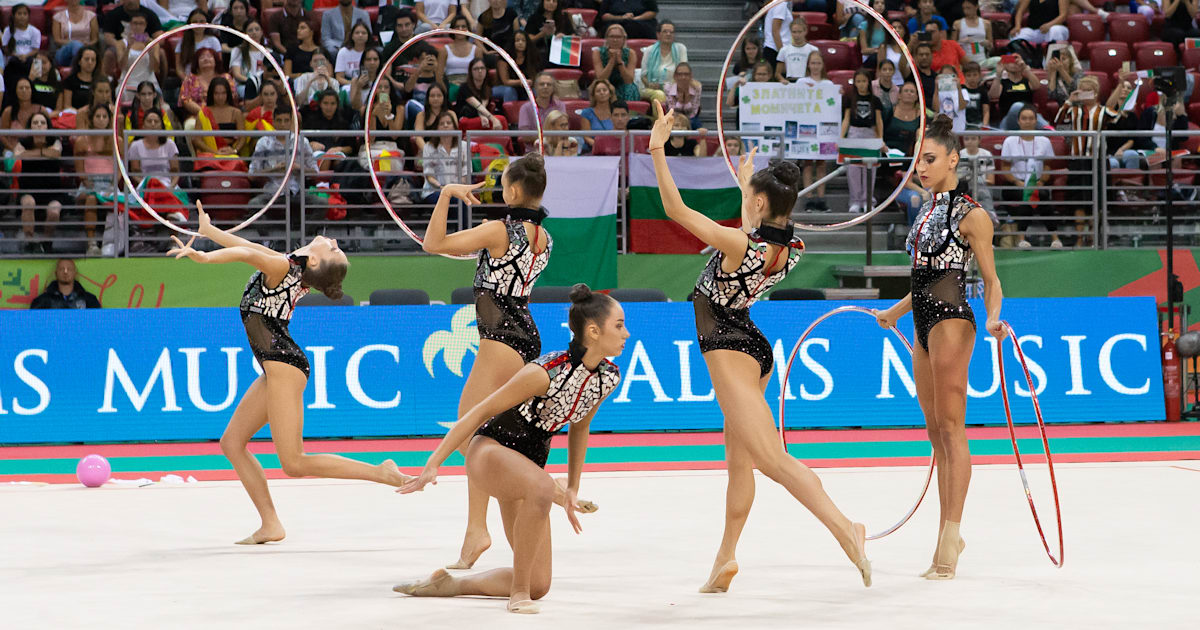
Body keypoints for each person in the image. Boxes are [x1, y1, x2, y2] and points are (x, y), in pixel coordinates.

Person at [647, 101, 871, 593]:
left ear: (763, 204)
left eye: (751, 197)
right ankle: (725, 557)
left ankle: (845, 528)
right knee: (739, 459)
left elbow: (673, 209)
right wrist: (750, 186)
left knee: (769, 458)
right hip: (751, 343)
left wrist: (657, 148)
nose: (746, 201)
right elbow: (758, 226)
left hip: (727, 344)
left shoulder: (737, 245)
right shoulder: (790, 248)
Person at [166, 204, 411, 544]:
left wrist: (207, 257)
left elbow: (243, 255)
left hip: (284, 366)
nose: (334, 241)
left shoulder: (282, 266)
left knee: (294, 462)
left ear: (315, 261)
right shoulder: (288, 265)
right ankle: (270, 524)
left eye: (334, 249)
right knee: (232, 443)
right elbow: (250, 250)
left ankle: (380, 473)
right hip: (277, 367)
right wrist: (209, 233)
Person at [394, 281, 625, 614]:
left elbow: (580, 427)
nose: (625, 333)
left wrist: (573, 487)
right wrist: (434, 463)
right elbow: (480, 411)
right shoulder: (545, 371)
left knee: (539, 584)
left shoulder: (607, 377)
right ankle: (518, 596)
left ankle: (451, 584)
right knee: (545, 487)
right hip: (490, 451)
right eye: (618, 325)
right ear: (593, 330)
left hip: (525, 469)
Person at [417, 153, 592, 571]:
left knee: (471, 434)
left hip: (501, 336)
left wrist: (445, 195)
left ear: (512, 191)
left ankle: (479, 528)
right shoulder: (544, 238)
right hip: (524, 333)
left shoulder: (499, 230)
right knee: (491, 436)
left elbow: (433, 244)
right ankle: (487, 522)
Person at [874, 114, 1004, 580]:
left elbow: (989, 279)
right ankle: (951, 530)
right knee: (934, 431)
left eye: (929, 159)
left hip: (953, 320)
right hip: (922, 322)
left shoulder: (972, 215)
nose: (921, 168)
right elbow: (924, 277)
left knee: (952, 429)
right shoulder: (924, 211)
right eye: (917, 161)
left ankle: (949, 536)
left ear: (953, 159)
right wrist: (896, 311)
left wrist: (992, 317)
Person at [248, 105, 325, 223]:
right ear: (273, 121)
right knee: (253, 205)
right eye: (279, 120)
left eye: (286, 121)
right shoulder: (263, 142)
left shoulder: (301, 142)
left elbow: (315, 171)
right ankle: (268, 239)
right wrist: (273, 170)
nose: (282, 124)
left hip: (296, 192)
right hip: (272, 192)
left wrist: (298, 168)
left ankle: (302, 236)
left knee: (322, 204)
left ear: (291, 122)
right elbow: (252, 175)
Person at [1000, 105, 1057, 247]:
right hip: (1015, 184)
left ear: (1036, 121)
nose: (1027, 121)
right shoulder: (1009, 141)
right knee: (1027, 195)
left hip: (1037, 183)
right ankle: (1021, 239)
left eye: (1031, 118)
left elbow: (1048, 165)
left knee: (1040, 195)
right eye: (1024, 118)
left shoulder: (1044, 141)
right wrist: (1017, 182)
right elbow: (1005, 168)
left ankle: (1055, 239)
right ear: (1018, 121)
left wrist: (1042, 182)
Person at [15, 112, 65, 255]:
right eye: (35, 123)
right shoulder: (23, 141)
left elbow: (56, 153)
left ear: (47, 126)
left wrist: (32, 153)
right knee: (28, 203)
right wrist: (44, 153)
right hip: (29, 189)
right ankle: (30, 242)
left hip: (52, 192)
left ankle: (46, 242)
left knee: (54, 212)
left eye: (42, 123)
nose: (39, 125)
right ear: (30, 126)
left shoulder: (54, 140)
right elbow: (18, 155)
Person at [843, 69, 884, 214]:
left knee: (869, 168)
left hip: (870, 134)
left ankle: (868, 200)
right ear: (854, 83)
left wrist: (880, 140)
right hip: (854, 133)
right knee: (853, 169)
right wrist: (842, 139)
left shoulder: (875, 100)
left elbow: (879, 122)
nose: (861, 84)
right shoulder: (850, 98)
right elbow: (846, 119)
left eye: (864, 81)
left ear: (869, 82)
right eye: (858, 81)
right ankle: (855, 201)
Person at [884, 81, 924, 224]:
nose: (909, 93)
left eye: (912, 91)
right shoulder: (890, 111)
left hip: (910, 154)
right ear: (899, 95)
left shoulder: (922, 115)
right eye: (906, 91)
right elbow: (879, 131)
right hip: (888, 154)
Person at [798, 52, 829, 211]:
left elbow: (833, 106)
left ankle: (821, 198)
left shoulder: (829, 84)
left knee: (822, 163)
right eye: (813, 63)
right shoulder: (801, 82)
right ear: (808, 65)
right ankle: (809, 198)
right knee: (808, 163)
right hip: (806, 127)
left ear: (822, 65)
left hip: (824, 128)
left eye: (818, 63)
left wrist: (839, 95)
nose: (815, 66)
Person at [420, 110, 465, 205]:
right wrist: (443, 188)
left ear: (454, 127)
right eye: (441, 124)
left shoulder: (463, 146)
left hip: (458, 190)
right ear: (437, 128)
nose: (445, 125)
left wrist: (455, 189)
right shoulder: (429, 147)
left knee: (461, 201)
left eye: (448, 123)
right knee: (444, 199)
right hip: (434, 191)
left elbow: (465, 174)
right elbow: (429, 176)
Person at [638, 20, 687, 105]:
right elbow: (643, 76)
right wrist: (650, 85)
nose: (668, 34)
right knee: (659, 94)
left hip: (675, 88)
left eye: (671, 32)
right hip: (651, 89)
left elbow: (684, 73)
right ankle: (661, 118)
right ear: (658, 34)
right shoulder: (649, 50)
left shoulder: (681, 49)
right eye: (665, 32)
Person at [453, 57, 506, 130]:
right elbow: (477, 105)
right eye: (476, 69)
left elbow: (483, 106)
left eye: (482, 68)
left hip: (481, 118)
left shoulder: (487, 88)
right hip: (465, 120)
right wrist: (493, 119)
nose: (480, 71)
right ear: (471, 72)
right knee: (501, 120)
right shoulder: (464, 87)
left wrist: (482, 116)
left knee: (500, 120)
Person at [593, 24, 640, 103]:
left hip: (624, 84)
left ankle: (630, 114)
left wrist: (619, 61)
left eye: (618, 37)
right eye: (612, 37)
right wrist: (611, 60)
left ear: (624, 39)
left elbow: (629, 80)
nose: (615, 40)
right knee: (603, 88)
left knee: (630, 88)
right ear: (607, 38)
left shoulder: (631, 53)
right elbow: (601, 78)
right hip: (605, 84)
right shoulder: (597, 52)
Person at [30, 259, 101, 309]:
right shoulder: (42, 301)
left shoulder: (90, 300)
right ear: (56, 273)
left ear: (75, 273)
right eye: (61, 269)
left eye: (69, 269)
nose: (65, 272)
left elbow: (100, 324)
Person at [51, 0, 99, 69]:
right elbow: (57, 40)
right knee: (75, 44)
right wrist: (74, 43)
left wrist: (87, 44)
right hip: (64, 52)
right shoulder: (58, 17)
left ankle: (78, 67)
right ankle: (82, 68)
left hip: (86, 50)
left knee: (81, 49)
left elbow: (95, 39)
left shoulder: (91, 16)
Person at [176, 9, 221, 78]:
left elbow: (218, 65)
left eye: (202, 21)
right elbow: (179, 68)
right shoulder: (182, 42)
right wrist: (187, 80)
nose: (198, 25)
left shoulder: (214, 41)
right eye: (195, 22)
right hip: (189, 80)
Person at [497, 31, 540, 103]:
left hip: (525, 87)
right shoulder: (504, 58)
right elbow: (505, 81)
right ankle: (511, 114)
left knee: (535, 91)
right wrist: (521, 82)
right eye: (517, 40)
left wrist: (530, 82)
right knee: (510, 91)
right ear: (512, 43)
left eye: (523, 40)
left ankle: (534, 113)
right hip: (504, 87)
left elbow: (535, 76)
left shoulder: (532, 56)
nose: (520, 43)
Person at [442, 14, 484, 87]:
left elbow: (480, 73)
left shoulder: (477, 50)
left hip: (470, 86)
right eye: (457, 27)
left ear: (468, 29)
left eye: (463, 26)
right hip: (450, 86)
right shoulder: (444, 50)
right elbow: (439, 76)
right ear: (452, 29)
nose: (460, 29)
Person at [230, 20, 267, 101]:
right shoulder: (238, 51)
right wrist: (253, 83)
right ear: (245, 34)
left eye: (257, 29)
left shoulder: (269, 52)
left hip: (265, 86)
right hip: (245, 85)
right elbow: (237, 74)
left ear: (261, 32)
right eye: (250, 30)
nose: (254, 32)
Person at [774, 18, 816, 84]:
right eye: (794, 32)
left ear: (805, 31)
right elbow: (777, 73)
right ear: (790, 32)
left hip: (806, 82)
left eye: (799, 32)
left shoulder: (813, 50)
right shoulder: (784, 50)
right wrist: (782, 80)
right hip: (790, 82)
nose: (797, 35)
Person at [952, 0, 991, 67]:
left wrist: (987, 43)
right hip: (965, 61)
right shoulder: (957, 23)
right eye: (964, 8)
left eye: (968, 8)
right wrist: (961, 42)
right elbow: (952, 45)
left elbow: (991, 45)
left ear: (976, 7)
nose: (965, 11)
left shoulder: (986, 23)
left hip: (982, 60)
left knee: (998, 60)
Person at [579, 78, 615, 150]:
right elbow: (586, 137)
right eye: (598, 91)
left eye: (604, 90)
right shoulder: (587, 113)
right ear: (594, 95)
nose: (602, 93)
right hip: (593, 150)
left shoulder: (616, 112)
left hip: (613, 149)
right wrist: (600, 146)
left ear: (610, 94)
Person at [58, 46, 98, 112]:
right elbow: (67, 106)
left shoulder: (100, 81)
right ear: (79, 61)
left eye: (93, 60)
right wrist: (80, 112)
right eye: (87, 59)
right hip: (75, 115)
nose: (90, 62)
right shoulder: (70, 81)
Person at [335, 22, 372, 89]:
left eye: (363, 33)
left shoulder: (373, 52)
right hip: (350, 85)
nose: (360, 35)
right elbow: (339, 78)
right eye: (357, 33)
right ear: (352, 36)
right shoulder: (343, 52)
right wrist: (355, 84)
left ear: (368, 36)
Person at [663, 62, 701, 128]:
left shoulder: (697, 88)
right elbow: (671, 111)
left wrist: (687, 102)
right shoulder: (668, 87)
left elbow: (694, 112)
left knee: (694, 123)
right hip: (673, 117)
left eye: (686, 74)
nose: (683, 77)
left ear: (691, 76)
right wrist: (680, 102)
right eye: (680, 74)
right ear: (675, 76)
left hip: (691, 117)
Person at [761, 0, 791, 66]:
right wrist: (782, 55)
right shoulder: (780, 4)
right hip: (775, 50)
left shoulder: (778, 4)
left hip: (773, 49)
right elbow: (775, 31)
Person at [960, 61, 988, 129]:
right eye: (969, 75)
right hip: (963, 124)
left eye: (975, 75)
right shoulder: (961, 89)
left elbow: (986, 111)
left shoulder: (982, 91)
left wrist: (984, 126)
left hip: (978, 124)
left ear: (979, 75)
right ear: (964, 76)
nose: (972, 78)